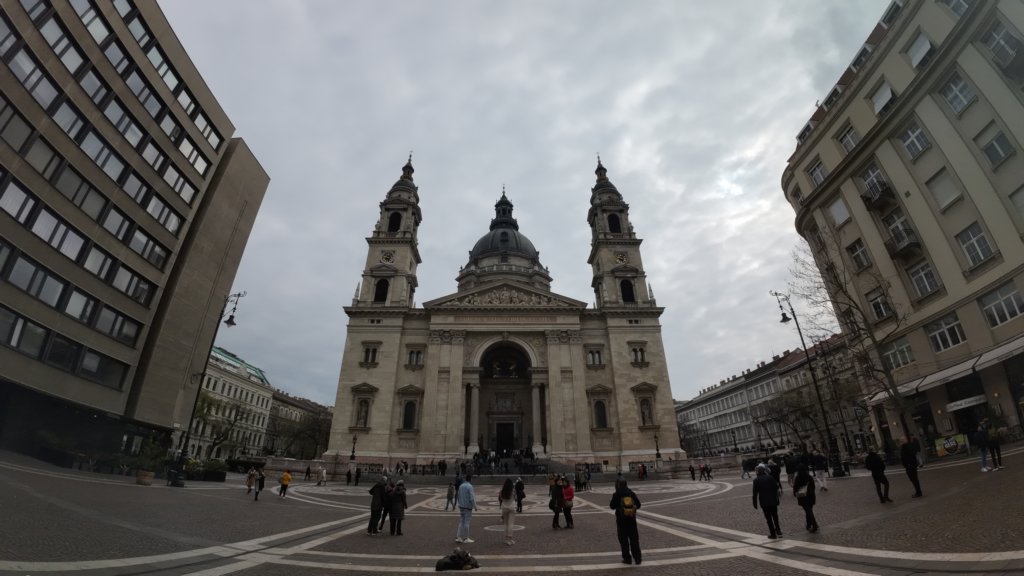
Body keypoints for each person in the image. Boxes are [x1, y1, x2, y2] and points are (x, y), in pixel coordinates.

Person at [609, 478, 642, 565]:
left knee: (623, 540)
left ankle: (627, 559)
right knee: (634, 539)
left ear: (618, 485)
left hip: (621, 520)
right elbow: (639, 505)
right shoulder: (631, 493)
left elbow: (611, 506)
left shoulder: (616, 494)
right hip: (631, 519)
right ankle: (638, 559)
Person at [752, 463, 782, 539]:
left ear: (758, 472)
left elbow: (755, 493)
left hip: (764, 502)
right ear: (764, 471)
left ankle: (773, 534)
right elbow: (776, 488)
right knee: (775, 516)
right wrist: (777, 498)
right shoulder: (770, 477)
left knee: (768, 519)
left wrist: (755, 503)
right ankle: (778, 530)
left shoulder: (756, 480)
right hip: (773, 500)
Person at [792, 464, 819, 533]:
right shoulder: (809, 477)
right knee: (809, 510)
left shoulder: (798, 478)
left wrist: (795, 493)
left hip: (803, 497)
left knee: (808, 511)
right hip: (810, 496)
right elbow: (813, 487)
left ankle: (814, 525)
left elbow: (795, 487)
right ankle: (808, 524)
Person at [455, 473, 478, 544]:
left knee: (461, 522)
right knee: (467, 522)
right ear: (470, 479)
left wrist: (459, 504)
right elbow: (472, 498)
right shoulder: (470, 486)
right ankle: (466, 538)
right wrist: (475, 506)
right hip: (467, 507)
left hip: (461, 506)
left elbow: (458, 495)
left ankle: (458, 537)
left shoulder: (461, 486)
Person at [498, 478, 517, 546]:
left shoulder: (501, 491)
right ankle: (510, 538)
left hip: (504, 508)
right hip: (512, 507)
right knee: (511, 524)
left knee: (506, 524)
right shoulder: (513, 491)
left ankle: (506, 539)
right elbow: (515, 498)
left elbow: (501, 498)